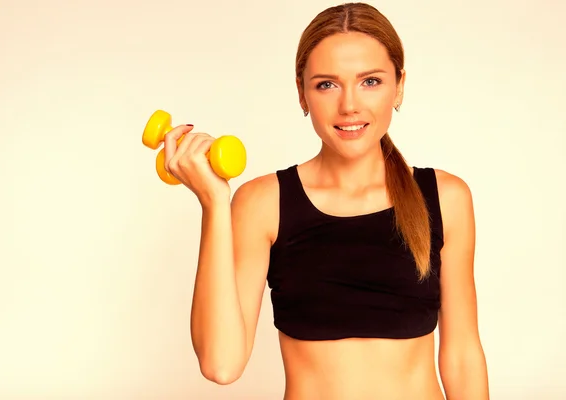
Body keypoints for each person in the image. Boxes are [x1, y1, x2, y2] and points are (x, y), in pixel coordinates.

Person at [163, 2, 489, 399]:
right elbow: (221, 364)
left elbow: (462, 356)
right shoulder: (263, 203)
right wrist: (214, 203)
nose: (349, 104)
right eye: (326, 84)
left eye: (370, 81)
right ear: (302, 94)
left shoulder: (446, 197)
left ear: (399, 85)